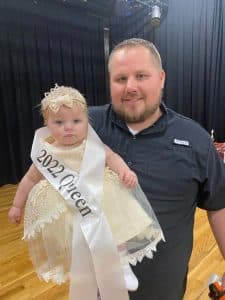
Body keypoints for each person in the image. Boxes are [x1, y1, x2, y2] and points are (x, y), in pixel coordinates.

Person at [89, 38, 225, 300]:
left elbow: (218, 204)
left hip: (164, 290)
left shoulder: (195, 139)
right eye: (120, 79)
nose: (130, 87)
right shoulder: (86, 125)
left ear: (161, 78)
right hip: (98, 287)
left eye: (141, 76)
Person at [8, 85, 164, 296]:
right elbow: (28, 179)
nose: (68, 128)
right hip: (67, 205)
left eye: (76, 121)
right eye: (59, 122)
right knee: (78, 244)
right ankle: (89, 274)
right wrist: (17, 205)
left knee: (115, 228)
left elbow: (111, 157)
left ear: (87, 121)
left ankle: (121, 264)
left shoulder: (91, 144)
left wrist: (124, 171)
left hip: (100, 196)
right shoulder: (46, 153)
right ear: (47, 125)